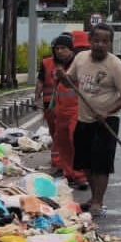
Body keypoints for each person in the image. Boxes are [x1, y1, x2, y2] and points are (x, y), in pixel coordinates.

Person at [59, 24, 121, 216]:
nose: (100, 44)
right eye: (97, 40)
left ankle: (98, 202)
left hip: (106, 121)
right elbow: (70, 82)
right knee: (85, 162)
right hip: (84, 119)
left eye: (105, 41)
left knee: (101, 164)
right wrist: (61, 77)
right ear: (90, 41)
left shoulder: (115, 65)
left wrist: (108, 112)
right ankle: (94, 197)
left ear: (110, 43)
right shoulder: (81, 58)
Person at [37, 33, 86, 188]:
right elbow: (53, 89)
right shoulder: (55, 65)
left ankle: (81, 176)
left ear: (71, 50)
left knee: (75, 142)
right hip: (60, 111)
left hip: (76, 110)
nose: (59, 51)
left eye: (63, 48)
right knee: (62, 142)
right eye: (57, 48)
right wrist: (46, 105)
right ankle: (69, 173)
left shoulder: (78, 64)